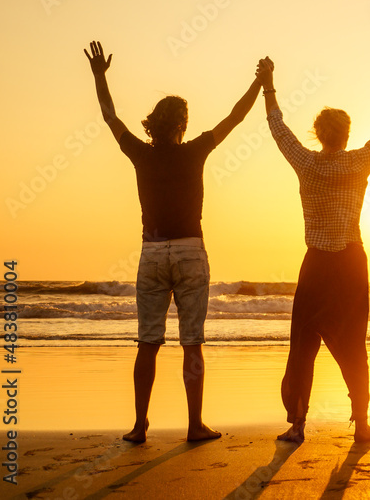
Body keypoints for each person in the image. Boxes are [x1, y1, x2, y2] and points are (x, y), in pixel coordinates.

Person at [83, 40, 262, 443]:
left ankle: (138, 425)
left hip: (150, 252)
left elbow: (110, 118)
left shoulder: (140, 154)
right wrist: (259, 81)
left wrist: (99, 76)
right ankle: (195, 425)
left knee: (148, 342)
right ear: (181, 125)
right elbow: (235, 116)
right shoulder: (195, 150)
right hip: (189, 251)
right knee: (191, 343)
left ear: (153, 125)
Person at [257, 57, 370, 444]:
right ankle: (361, 423)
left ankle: (297, 425)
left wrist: (269, 84)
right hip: (349, 264)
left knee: (303, 346)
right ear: (345, 135)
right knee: (353, 345)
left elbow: (278, 129)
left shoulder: (306, 164)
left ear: (318, 134)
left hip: (316, 266)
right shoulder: (359, 162)